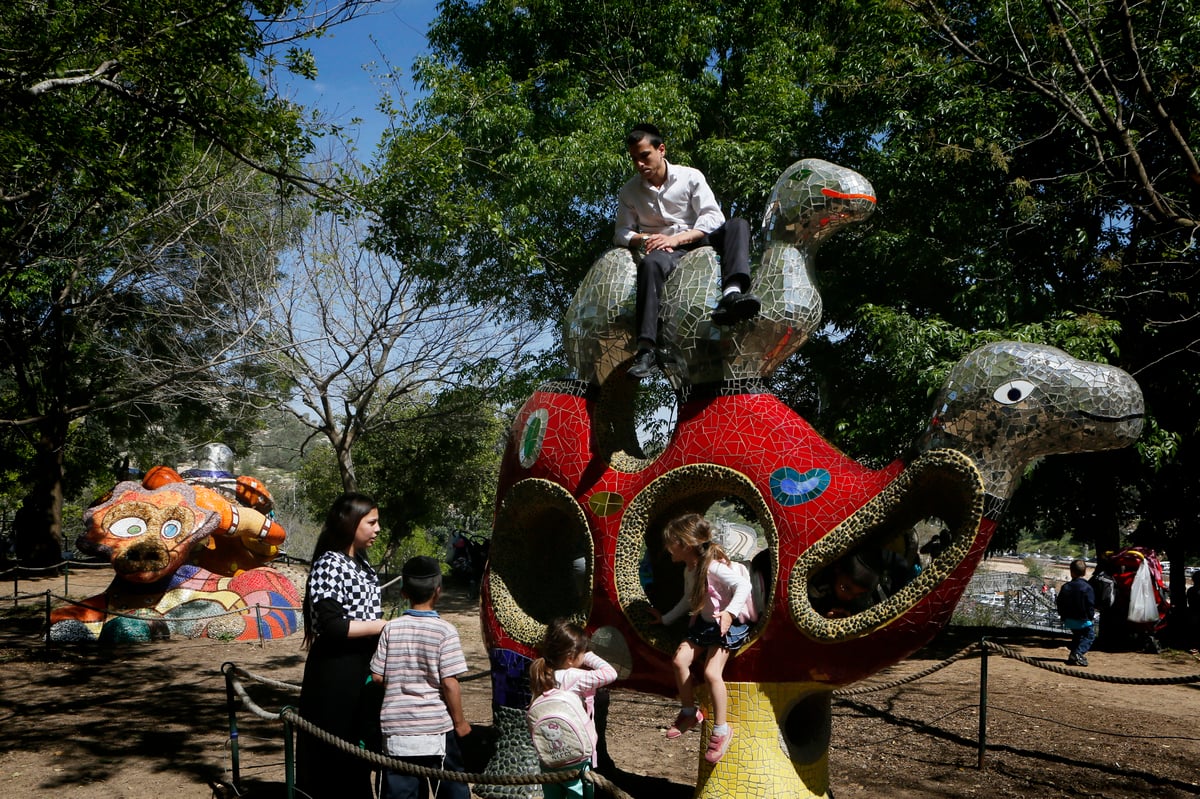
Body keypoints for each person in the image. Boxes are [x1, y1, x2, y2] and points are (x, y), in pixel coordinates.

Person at [614, 123, 760, 379]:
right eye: (634, 159)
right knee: (650, 265)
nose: (639, 164)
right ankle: (646, 348)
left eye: (644, 155)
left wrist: (681, 238)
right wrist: (648, 237)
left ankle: (732, 293)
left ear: (661, 150)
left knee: (738, 225)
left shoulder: (690, 176)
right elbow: (622, 233)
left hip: (697, 237)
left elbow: (713, 217)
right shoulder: (629, 191)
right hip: (665, 249)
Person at [298, 493, 389, 799]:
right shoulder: (330, 563)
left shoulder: (361, 561)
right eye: (372, 522)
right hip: (335, 671)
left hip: (361, 665)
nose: (378, 529)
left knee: (357, 747)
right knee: (332, 748)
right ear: (351, 523)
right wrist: (383, 626)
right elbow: (333, 625)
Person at [648, 513, 752, 764]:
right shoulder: (689, 569)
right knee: (679, 661)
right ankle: (689, 712)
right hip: (705, 625)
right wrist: (666, 619)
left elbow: (743, 586)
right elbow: (688, 600)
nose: (667, 547)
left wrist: (729, 613)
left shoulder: (713, 566)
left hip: (726, 625)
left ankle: (721, 729)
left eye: (671, 541)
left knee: (711, 673)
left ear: (685, 544)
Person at [370, 555, 472, 799]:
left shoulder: (391, 629)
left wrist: (398, 684)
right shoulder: (445, 631)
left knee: (401, 792)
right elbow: (449, 682)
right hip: (437, 730)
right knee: (451, 789)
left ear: (404, 592)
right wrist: (460, 723)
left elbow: (376, 676)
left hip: (397, 730)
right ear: (438, 591)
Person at [528, 619, 618, 798]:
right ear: (570, 657)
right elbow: (611, 673)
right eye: (582, 653)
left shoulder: (541, 672)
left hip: (549, 755)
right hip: (575, 756)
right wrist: (589, 655)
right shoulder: (575, 676)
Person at [1056, 558, 1096, 666]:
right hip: (1083, 619)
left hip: (1069, 620)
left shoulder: (1065, 587)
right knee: (1089, 635)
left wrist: (1063, 616)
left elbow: (1059, 603)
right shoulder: (1087, 587)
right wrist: (1090, 617)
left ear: (1071, 572)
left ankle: (1073, 655)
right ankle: (1078, 653)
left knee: (1078, 636)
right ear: (1084, 572)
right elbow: (1090, 604)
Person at [1187, 571, 1200, 651]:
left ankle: (1194, 645)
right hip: (1196, 613)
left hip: (1193, 613)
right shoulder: (1195, 590)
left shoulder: (1191, 590)